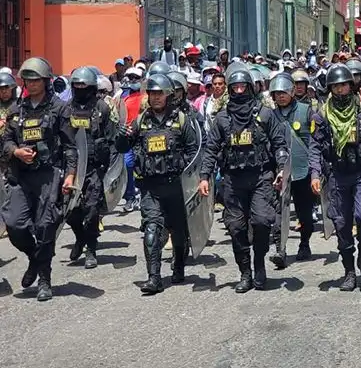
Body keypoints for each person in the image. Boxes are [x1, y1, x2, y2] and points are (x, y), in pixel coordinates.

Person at [198, 66, 289, 293]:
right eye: (235, 87)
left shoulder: (265, 114)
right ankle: (245, 273)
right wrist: (204, 176)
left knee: (260, 222)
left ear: (250, 87)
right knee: (236, 227)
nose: (239, 90)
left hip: (261, 176)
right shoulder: (222, 119)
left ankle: (259, 264)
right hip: (232, 180)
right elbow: (211, 150)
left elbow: (279, 144)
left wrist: (281, 169)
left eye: (243, 86)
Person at [1, 58, 79, 301]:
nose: (32, 84)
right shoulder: (17, 109)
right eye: (28, 80)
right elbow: (6, 141)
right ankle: (35, 257)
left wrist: (70, 176)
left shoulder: (59, 109)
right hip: (20, 177)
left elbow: (70, 146)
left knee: (45, 226)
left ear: (46, 81)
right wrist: (16, 152)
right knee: (15, 225)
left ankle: (44, 278)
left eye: (36, 80)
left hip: (49, 175)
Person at [116, 73, 199, 294]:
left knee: (179, 232)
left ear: (168, 95)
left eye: (159, 94)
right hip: (150, 188)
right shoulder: (141, 121)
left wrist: (194, 181)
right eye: (152, 94)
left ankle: (179, 265)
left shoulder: (181, 120)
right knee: (151, 230)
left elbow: (194, 151)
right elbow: (123, 148)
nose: (155, 98)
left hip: (177, 187)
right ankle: (154, 278)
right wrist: (122, 136)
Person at [307, 64, 361, 291]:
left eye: (344, 85)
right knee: (341, 224)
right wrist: (315, 173)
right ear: (330, 88)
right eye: (336, 86)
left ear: (351, 85)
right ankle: (349, 270)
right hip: (337, 175)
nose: (341, 90)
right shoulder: (321, 115)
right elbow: (315, 146)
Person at [64, 67, 115, 270]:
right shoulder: (67, 110)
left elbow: (111, 138)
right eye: (77, 86)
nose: (81, 89)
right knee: (69, 211)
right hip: (72, 168)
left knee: (92, 210)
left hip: (94, 167)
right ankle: (80, 238)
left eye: (85, 86)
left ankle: (91, 249)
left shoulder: (102, 108)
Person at [267, 73, 317, 268]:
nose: (280, 96)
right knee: (280, 212)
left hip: (302, 170)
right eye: (276, 93)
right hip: (279, 173)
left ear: (291, 92)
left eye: (284, 92)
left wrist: (316, 169)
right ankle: (280, 249)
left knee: (304, 213)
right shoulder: (269, 115)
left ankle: (304, 243)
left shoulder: (306, 111)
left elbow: (315, 142)